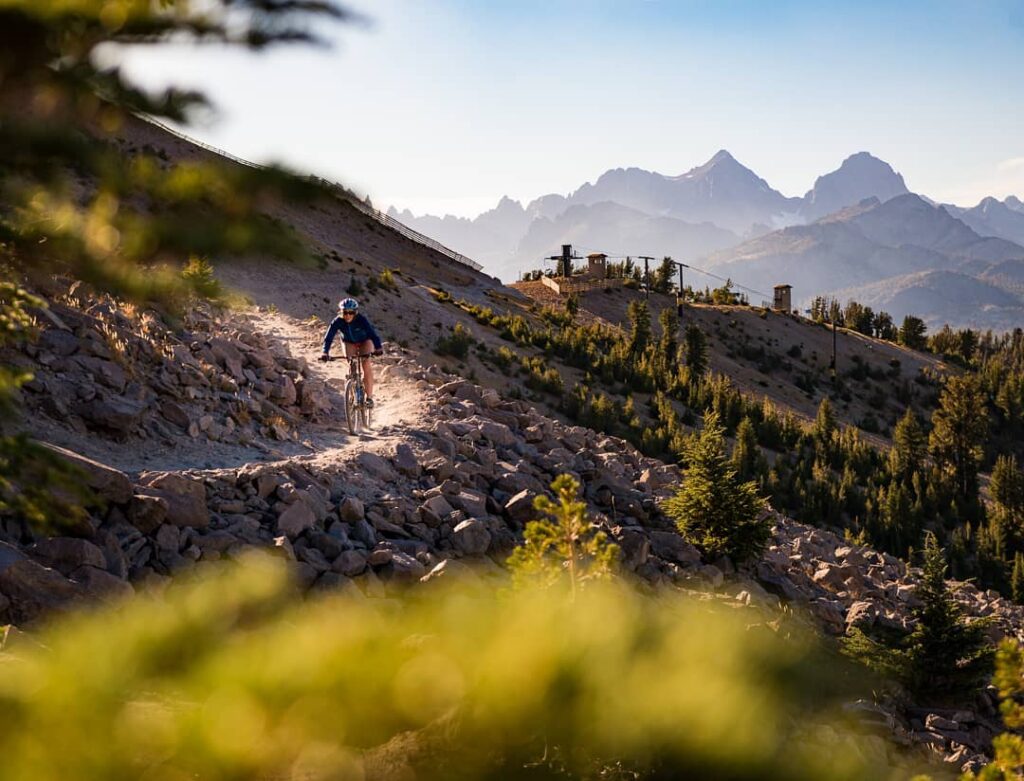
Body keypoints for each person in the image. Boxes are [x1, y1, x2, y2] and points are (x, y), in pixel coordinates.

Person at [320, 297, 383, 407]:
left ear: (355, 312)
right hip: (348, 342)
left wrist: (378, 348)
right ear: (341, 312)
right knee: (351, 362)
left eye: (351, 312)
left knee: (366, 363)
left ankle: (369, 398)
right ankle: (353, 388)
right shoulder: (338, 321)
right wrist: (325, 352)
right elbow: (329, 337)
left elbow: (372, 334)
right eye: (345, 312)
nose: (348, 315)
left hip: (365, 341)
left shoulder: (361, 320)